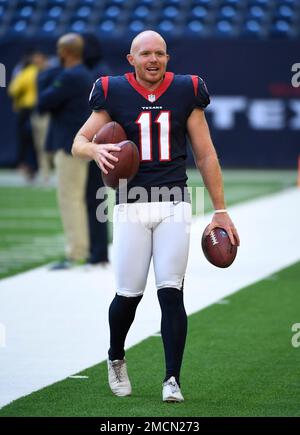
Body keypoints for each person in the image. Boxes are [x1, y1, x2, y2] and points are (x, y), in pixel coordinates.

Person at [72, 30, 240, 402]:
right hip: (130, 204)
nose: (153, 59)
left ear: (167, 57)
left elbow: (206, 154)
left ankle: (172, 379)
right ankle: (116, 355)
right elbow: (79, 141)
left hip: (174, 203)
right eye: (145, 53)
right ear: (131, 58)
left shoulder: (187, 89)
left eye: (160, 53)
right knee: (128, 295)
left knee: (171, 293)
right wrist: (96, 153)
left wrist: (221, 211)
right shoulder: (112, 90)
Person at [38, 33, 93, 268]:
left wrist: (47, 73)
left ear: (63, 53)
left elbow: (44, 101)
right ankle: (83, 249)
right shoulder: (83, 74)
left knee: (70, 199)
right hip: (79, 142)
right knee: (78, 199)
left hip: (71, 145)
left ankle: (77, 252)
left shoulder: (71, 75)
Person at [82, 33, 111, 266]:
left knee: (95, 198)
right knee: (93, 199)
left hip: (96, 144)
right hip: (95, 143)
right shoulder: (99, 71)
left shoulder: (96, 75)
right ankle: (96, 250)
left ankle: (98, 251)